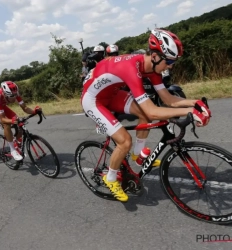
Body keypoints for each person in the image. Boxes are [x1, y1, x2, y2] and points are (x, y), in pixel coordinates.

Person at [81, 29, 211, 202]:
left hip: (112, 94)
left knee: (145, 114)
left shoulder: (152, 69)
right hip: (93, 100)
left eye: (174, 61)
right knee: (124, 140)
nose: (171, 66)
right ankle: (110, 178)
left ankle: (137, 154)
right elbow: (153, 110)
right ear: (155, 56)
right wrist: (190, 112)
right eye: (170, 61)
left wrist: (195, 103)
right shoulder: (131, 68)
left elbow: (168, 99)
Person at [0, 81, 41, 161]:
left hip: (2, 106)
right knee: (6, 124)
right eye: (11, 96)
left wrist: (34, 112)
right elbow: (2, 119)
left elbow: (25, 108)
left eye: (15, 95)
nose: (14, 98)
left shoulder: (15, 93)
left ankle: (16, 143)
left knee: (19, 121)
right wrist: (10, 121)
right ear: (4, 94)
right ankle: (13, 150)